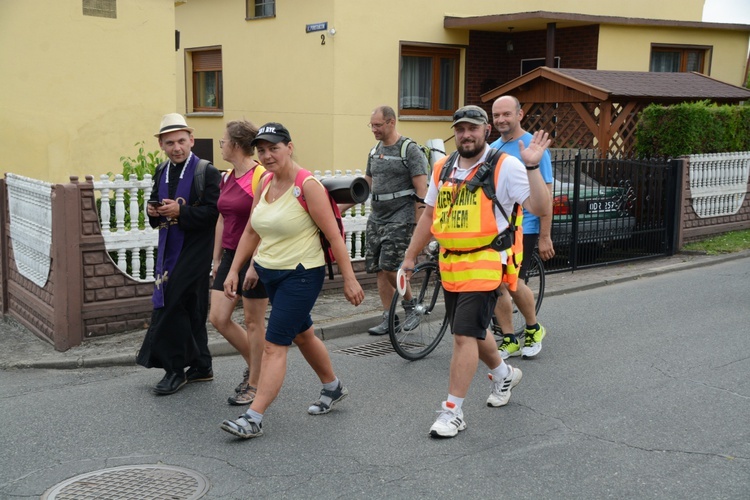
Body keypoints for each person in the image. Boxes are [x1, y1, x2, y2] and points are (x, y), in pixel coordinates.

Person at [399, 105, 551, 438]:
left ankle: (452, 411)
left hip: (486, 261)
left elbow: (540, 207)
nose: (466, 134)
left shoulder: (506, 165)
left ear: (486, 130)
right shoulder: (443, 167)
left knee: (463, 335)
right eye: (461, 129)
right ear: (455, 132)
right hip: (451, 264)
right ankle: (503, 375)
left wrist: (533, 166)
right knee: (475, 331)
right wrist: (410, 256)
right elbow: (428, 216)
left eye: (473, 128)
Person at [219, 122, 365, 439]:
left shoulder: (307, 185)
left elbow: (334, 236)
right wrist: (239, 268)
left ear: (289, 146)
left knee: (274, 346)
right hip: (270, 271)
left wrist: (349, 279)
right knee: (303, 334)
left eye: (274, 148)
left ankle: (253, 417)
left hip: (301, 275)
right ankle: (333, 387)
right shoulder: (266, 182)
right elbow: (253, 230)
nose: (267, 155)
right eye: (262, 150)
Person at [137, 113, 220, 395]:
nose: (177, 148)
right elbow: (155, 205)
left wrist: (181, 211)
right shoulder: (161, 171)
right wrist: (151, 211)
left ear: (191, 140)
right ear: (161, 144)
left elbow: (213, 213)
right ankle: (201, 366)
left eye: (182, 141)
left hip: (196, 249)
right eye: (170, 142)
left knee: (172, 304)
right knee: (192, 307)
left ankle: (174, 370)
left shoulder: (206, 171)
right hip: (169, 247)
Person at [490, 95, 555, 358]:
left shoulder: (533, 146)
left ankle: (533, 328)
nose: (501, 119)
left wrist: (545, 236)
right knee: (495, 284)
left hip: (524, 227)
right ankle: (509, 337)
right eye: (496, 115)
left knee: (512, 282)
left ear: (520, 114)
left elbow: (547, 195)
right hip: (497, 229)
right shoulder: (492, 148)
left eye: (506, 114)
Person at [209, 119, 268, 406]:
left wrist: (255, 264)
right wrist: (217, 258)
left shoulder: (260, 177)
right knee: (218, 317)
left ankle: (256, 381)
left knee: (254, 323)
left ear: (235, 145)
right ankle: (259, 365)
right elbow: (222, 217)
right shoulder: (226, 177)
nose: (220, 145)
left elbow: (264, 225)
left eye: (223, 141)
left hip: (256, 255)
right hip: (231, 255)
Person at [362, 105, 429, 335]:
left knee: (390, 267)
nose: (374, 130)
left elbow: (422, 188)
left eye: (378, 125)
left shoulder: (409, 150)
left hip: (401, 217)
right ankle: (389, 318)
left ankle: (413, 308)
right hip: (377, 217)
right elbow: (366, 185)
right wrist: (336, 208)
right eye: (372, 125)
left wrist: (418, 225)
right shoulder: (374, 151)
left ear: (391, 122)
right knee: (380, 270)